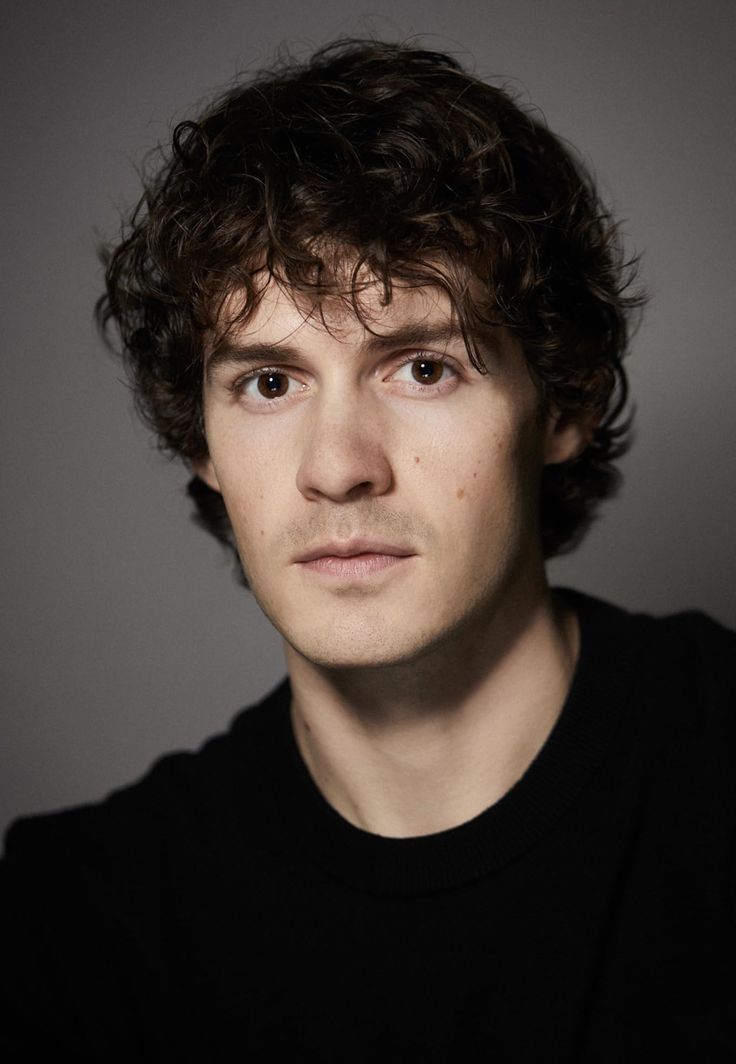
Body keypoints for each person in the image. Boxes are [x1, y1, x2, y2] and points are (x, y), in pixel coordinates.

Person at [2, 37, 734, 1062]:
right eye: (268, 382)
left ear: (561, 401)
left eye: (421, 366)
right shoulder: (71, 918)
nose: (338, 466)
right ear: (200, 440)